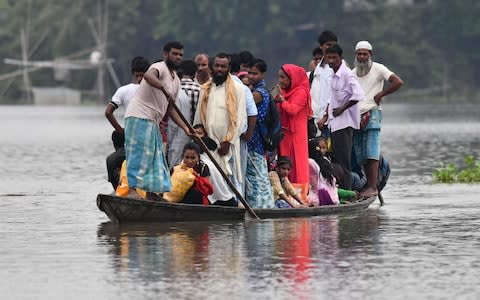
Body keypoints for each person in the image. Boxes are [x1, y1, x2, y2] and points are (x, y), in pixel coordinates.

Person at [123, 41, 192, 200]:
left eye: (181, 55)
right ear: (166, 54)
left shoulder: (176, 81)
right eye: (174, 54)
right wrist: (162, 87)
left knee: (154, 157)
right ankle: (132, 191)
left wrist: (185, 128)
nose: (178, 57)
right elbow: (148, 75)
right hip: (138, 116)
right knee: (138, 154)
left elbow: (171, 108)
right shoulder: (160, 67)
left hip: (153, 121)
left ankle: (151, 193)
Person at [193, 53, 247, 207]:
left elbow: (240, 118)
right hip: (209, 144)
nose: (219, 69)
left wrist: (228, 141)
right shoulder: (205, 89)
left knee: (230, 180)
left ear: (229, 68)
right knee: (212, 180)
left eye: (223, 66)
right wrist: (199, 133)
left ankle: (235, 210)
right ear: (212, 67)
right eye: (217, 66)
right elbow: (199, 116)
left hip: (227, 145)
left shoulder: (238, 89)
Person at [352, 41, 404, 197]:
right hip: (356, 116)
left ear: (370, 55)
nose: (362, 57)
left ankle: (373, 187)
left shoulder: (378, 68)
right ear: (355, 55)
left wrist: (381, 95)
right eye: (359, 54)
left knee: (371, 150)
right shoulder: (352, 73)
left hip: (373, 113)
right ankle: (368, 184)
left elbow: (398, 82)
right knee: (360, 153)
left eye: (365, 54)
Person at [318, 44, 364, 190]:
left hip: (345, 123)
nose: (331, 61)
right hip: (334, 123)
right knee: (335, 158)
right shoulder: (333, 74)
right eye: (328, 57)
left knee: (344, 161)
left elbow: (358, 94)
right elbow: (331, 99)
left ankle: (349, 191)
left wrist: (342, 109)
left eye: (334, 58)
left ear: (341, 58)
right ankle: (339, 189)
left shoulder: (347, 74)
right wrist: (325, 117)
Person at [245, 58, 274, 208]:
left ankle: (261, 206)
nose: (250, 76)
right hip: (256, 136)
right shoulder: (256, 90)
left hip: (254, 136)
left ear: (263, 75)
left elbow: (244, 103)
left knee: (256, 173)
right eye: (249, 73)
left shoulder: (259, 93)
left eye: (254, 73)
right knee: (257, 172)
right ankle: (263, 204)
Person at [276, 64, 311, 189]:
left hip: (296, 135)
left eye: (284, 78)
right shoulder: (285, 92)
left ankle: (301, 190)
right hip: (285, 134)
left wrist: (282, 101)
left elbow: (293, 110)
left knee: (297, 163)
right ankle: (286, 190)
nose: (281, 81)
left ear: (293, 78)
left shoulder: (301, 92)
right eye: (279, 77)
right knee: (284, 162)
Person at [230, 53, 257, 198]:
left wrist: (247, 135)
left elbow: (252, 113)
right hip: (236, 136)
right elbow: (252, 113)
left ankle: (234, 201)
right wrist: (247, 134)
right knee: (237, 170)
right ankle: (237, 200)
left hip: (235, 137)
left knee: (234, 170)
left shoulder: (240, 88)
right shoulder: (242, 88)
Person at [167, 60, 201, 167]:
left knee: (174, 165)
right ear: (195, 73)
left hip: (174, 133)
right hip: (193, 134)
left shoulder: (172, 90)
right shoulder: (199, 89)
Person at [104, 56, 150, 134]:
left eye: (142, 75)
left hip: (131, 134)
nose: (139, 79)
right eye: (137, 76)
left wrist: (120, 130)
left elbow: (108, 112)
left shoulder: (123, 90)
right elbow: (108, 112)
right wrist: (120, 130)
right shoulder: (155, 90)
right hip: (148, 134)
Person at [310, 31, 338, 138]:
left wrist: (326, 116)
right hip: (318, 121)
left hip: (334, 120)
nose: (331, 48)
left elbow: (336, 94)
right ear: (321, 46)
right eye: (328, 45)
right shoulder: (317, 69)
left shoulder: (339, 67)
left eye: (334, 45)